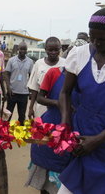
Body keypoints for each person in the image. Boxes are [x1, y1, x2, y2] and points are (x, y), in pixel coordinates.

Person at [58, 8, 105, 194]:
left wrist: (98, 140)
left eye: (103, 39)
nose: (96, 43)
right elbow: (65, 92)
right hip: (82, 139)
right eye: (92, 37)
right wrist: (66, 122)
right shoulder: (78, 54)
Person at [26, 66, 72, 194]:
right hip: (51, 125)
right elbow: (40, 98)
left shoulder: (85, 76)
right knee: (46, 177)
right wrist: (58, 103)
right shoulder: (54, 73)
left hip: (74, 128)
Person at [27, 37, 65, 119]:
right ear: (45, 49)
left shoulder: (65, 64)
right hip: (42, 106)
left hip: (60, 107)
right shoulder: (38, 64)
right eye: (50, 50)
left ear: (60, 49)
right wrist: (30, 108)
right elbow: (34, 88)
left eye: (56, 50)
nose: (53, 52)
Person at [4, 41, 34, 122]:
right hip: (12, 92)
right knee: (8, 115)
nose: (23, 51)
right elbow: (6, 74)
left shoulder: (30, 62)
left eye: (24, 49)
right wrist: (8, 87)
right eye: (21, 49)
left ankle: (20, 133)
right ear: (18, 49)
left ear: (27, 50)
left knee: (22, 117)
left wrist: (30, 91)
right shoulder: (11, 60)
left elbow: (32, 76)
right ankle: (5, 132)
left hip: (24, 93)